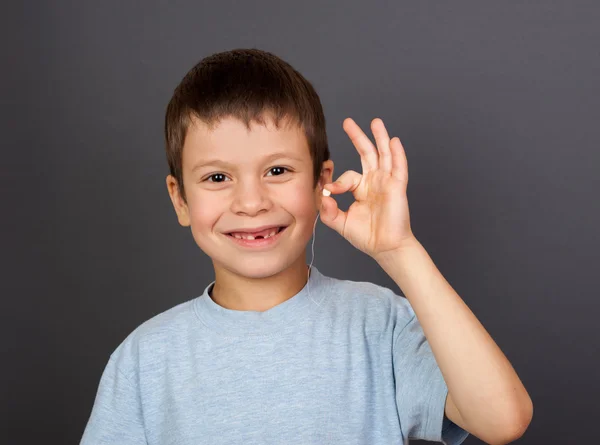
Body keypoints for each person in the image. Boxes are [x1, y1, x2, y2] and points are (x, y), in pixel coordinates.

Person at [80, 48, 532, 445]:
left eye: (277, 170)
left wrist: (400, 251)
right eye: (218, 177)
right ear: (180, 198)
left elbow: (502, 420)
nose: (252, 202)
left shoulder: (380, 325)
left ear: (321, 181)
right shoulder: (144, 359)